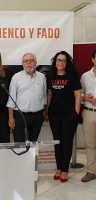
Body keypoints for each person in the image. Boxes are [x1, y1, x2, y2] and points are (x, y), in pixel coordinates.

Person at [46, 51, 81, 183]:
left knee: (67, 142)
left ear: (67, 63)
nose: (60, 63)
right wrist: (47, 111)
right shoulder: (50, 76)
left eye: (63, 60)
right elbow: (49, 95)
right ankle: (59, 168)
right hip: (54, 114)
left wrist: (76, 113)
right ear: (55, 61)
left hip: (69, 115)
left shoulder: (72, 76)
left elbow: (78, 95)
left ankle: (65, 170)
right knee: (57, 142)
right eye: (58, 60)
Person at [6, 53, 47, 142]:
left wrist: (45, 112)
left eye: (31, 61)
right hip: (20, 116)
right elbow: (11, 99)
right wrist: (11, 117)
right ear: (22, 64)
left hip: (37, 116)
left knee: (33, 144)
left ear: (35, 63)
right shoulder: (16, 77)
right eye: (26, 61)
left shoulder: (42, 77)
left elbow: (44, 96)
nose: (28, 63)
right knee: (20, 144)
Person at [80, 49, 96, 182]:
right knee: (90, 144)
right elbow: (79, 94)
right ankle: (91, 171)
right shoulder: (85, 76)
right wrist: (84, 97)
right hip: (89, 114)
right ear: (93, 59)